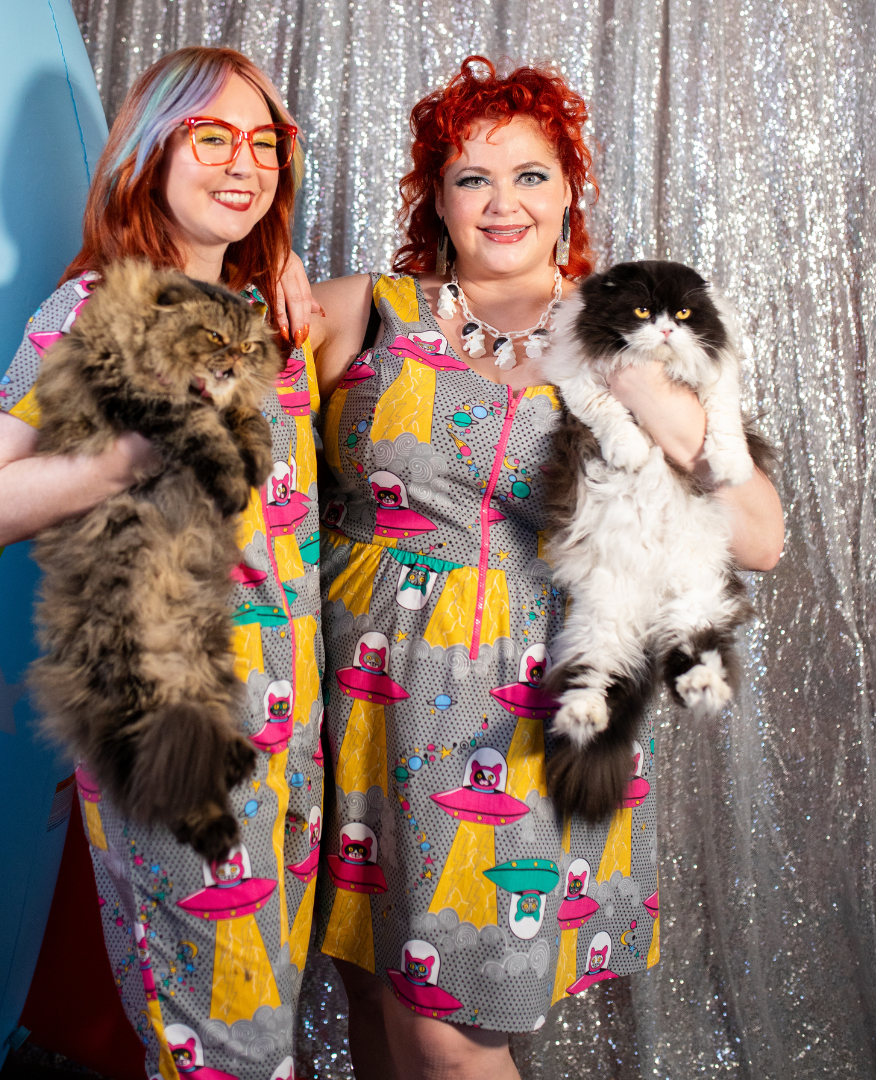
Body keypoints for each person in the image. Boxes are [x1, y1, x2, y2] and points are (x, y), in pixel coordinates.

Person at [305, 57, 783, 1079]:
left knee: (449, 1034)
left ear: (569, 192)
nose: (502, 202)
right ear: (436, 198)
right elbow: (219, 424)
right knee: (373, 1001)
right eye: (472, 178)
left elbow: (759, 538)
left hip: (511, 714)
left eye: (530, 175)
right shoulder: (362, 311)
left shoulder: (633, 343)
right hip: (344, 701)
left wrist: (643, 392)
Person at [0, 47, 324, 1080]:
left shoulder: (267, 316)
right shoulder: (89, 311)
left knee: (263, 1032)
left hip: (291, 719)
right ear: (150, 152)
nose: (243, 163)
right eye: (212, 136)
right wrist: (124, 455)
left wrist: (281, 262)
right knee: (226, 1051)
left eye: (264, 143)